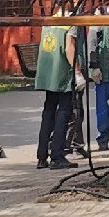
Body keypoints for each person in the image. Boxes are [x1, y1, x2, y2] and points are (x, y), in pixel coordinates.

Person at [32, 23, 85, 170]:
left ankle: (42, 157)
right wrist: (78, 73)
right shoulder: (70, 25)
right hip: (63, 75)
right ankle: (57, 156)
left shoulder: (49, 23)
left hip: (49, 75)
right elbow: (69, 48)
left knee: (48, 113)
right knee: (64, 112)